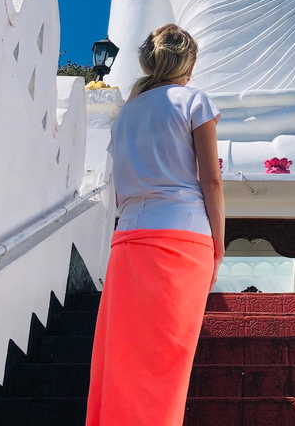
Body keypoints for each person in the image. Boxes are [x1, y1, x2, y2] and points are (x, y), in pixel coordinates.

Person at [86, 24, 225, 426]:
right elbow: (211, 180)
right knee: (166, 363)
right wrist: (218, 245)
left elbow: (116, 188)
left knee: (122, 359)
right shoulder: (193, 101)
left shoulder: (125, 113)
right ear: (191, 64)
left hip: (128, 238)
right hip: (184, 238)